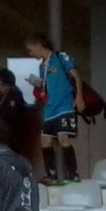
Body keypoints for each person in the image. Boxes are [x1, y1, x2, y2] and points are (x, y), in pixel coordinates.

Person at [23, 32, 84, 185]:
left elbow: (76, 76)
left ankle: (73, 174)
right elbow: (47, 87)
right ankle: (52, 175)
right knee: (45, 141)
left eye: (31, 49)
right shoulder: (42, 67)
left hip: (64, 106)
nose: (31, 53)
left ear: (39, 45)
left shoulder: (60, 57)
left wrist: (79, 97)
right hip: (50, 109)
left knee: (63, 138)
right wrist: (38, 85)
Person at [0, 69, 28, 155]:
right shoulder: (1, 96)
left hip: (13, 135)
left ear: (8, 84)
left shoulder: (15, 96)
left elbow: (11, 116)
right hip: (3, 133)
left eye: (1, 84)